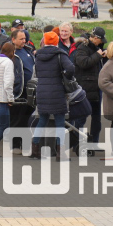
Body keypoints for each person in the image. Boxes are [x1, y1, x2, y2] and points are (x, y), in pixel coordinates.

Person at [31, 30, 75, 158]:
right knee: (60, 122)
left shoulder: (38, 55)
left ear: (44, 41)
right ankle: (60, 152)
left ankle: (35, 149)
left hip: (42, 91)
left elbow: (37, 72)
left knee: (42, 120)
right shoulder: (60, 54)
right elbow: (70, 68)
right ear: (56, 41)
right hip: (57, 91)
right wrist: (64, 75)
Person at [73, 28, 107, 144]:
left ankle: (94, 141)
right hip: (85, 88)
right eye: (101, 40)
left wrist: (104, 54)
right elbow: (83, 63)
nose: (101, 43)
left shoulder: (97, 47)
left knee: (96, 118)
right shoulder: (82, 48)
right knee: (81, 117)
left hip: (96, 88)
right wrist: (98, 55)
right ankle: (77, 142)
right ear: (95, 38)